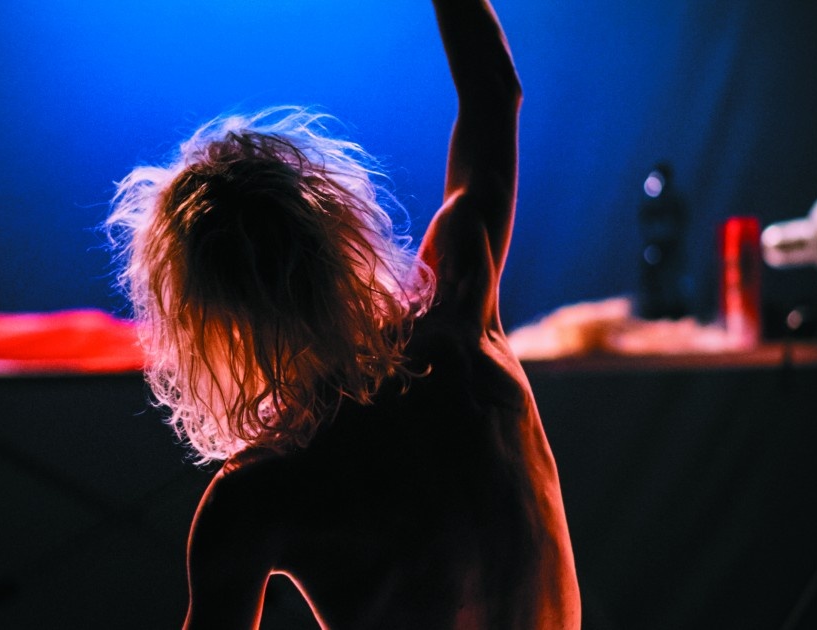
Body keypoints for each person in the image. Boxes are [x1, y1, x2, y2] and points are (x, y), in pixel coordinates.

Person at [106, 0, 581, 627]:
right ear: (332, 225)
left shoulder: (257, 495)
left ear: (203, 320)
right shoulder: (457, 315)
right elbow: (494, 91)